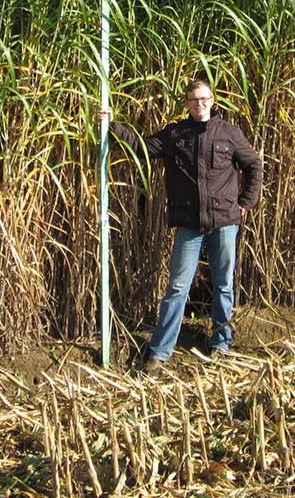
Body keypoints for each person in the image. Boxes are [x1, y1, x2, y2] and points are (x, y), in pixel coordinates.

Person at [100, 78, 262, 372]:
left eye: (204, 99)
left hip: (224, 221)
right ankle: (160, 351)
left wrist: (245, 202)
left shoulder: (229, 133)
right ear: (186, 103)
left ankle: (221, 343)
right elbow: (142, 148)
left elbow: (253, 165)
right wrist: (112, 125)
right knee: (177, 286)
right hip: (189, 224)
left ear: (213, 101)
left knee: (223, 283)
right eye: (194, 100)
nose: (200, 104)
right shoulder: (176, 134)